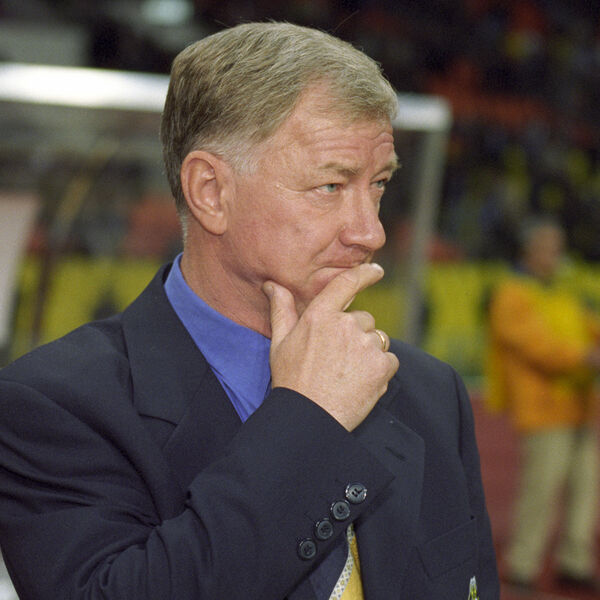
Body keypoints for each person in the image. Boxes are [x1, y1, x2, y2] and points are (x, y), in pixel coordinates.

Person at [0, 22, 498, 599]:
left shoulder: (432, 394)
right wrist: (307, 420)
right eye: (331, 186)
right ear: (211, 192)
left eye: (379, 185)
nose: (371, 232)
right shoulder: (53, 406)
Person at [486, 217, 600, 593]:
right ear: (529, 250)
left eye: (558, 247)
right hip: (543, 407)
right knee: (541, 489)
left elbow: (588, 326)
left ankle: (575, 561)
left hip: (579, 406)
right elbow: (536, 346)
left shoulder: (563, 290)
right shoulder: (512, 293)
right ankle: (523, 563)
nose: (556, 255)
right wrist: (585, 357)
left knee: (585, 488)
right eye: (549, 247)